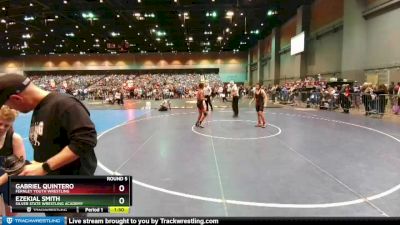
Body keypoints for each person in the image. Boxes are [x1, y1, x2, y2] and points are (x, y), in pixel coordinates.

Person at [0, 73, 97, 216]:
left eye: (9, 105)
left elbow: (85, 139)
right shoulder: (39, 110)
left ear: (16, 98)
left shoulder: (64, 104)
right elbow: (51, 147)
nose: (14, 109)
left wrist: (45, 167)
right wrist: (34, 165)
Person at [0, 106, 26, 216]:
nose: (2, 128)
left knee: (11, 216)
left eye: (6, 125)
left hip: (9, 180)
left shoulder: (15, 138)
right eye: (0, 123)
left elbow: (19, 166)